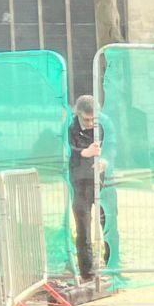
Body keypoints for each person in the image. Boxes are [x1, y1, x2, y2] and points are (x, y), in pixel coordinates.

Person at [67, 93, 104, 283]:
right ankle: (87, 272)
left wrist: (103, 163)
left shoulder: (100, 128)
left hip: (97, 183)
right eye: (86, 119)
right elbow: (67, 151)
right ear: (78, 114)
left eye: (93, 119)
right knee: (84, 228)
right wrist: (84, 152)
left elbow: (107, 150)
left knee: (105, 222)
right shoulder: (69, 129)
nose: (90, 124)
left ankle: (107, 266)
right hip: (78, 185)